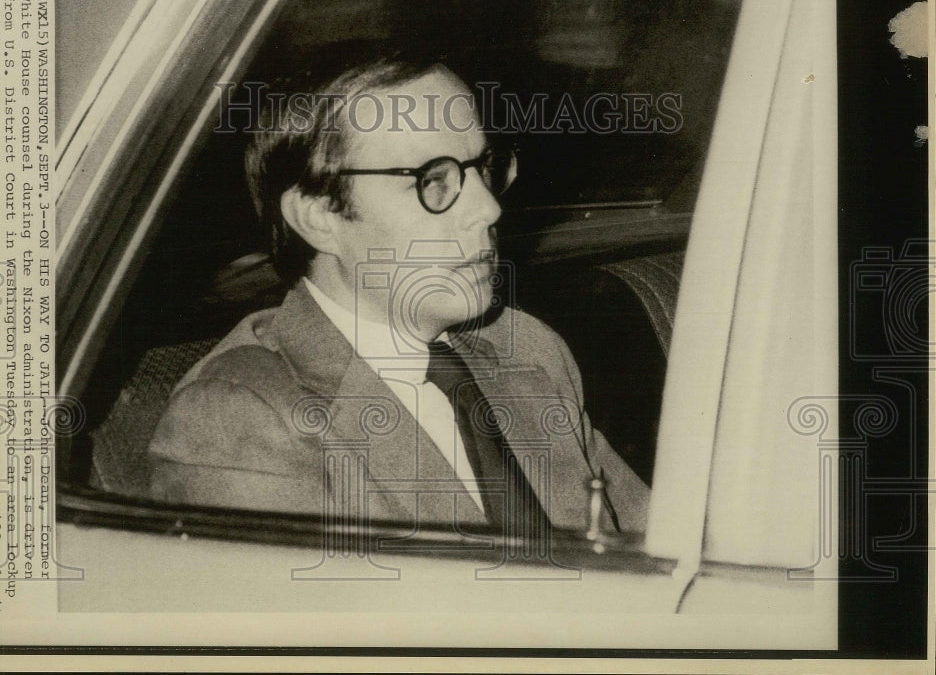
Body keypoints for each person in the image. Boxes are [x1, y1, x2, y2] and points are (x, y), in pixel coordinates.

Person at [147, 57, 649, 535]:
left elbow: (653, 550)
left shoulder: (526, 348)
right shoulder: (239, 419)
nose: (489, 208)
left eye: (483, 166)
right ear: (320, 217)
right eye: (433, 179)